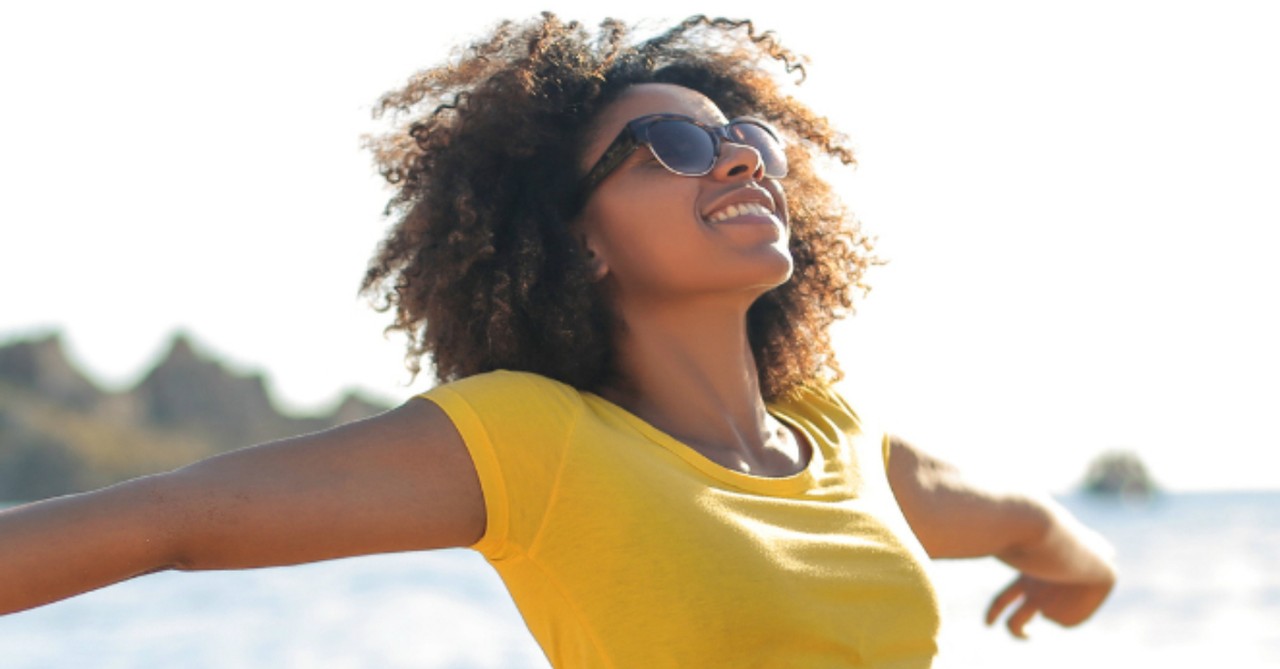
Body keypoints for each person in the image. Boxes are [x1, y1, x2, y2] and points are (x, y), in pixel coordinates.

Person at [0, 14, 1115, 668]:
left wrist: (1075, 576)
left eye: (743, 136)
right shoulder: (535, 441)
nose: (734, 160)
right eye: (668, 146)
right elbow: (169, 522)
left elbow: (1026, 525)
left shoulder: (837, 439)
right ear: (576, 244)